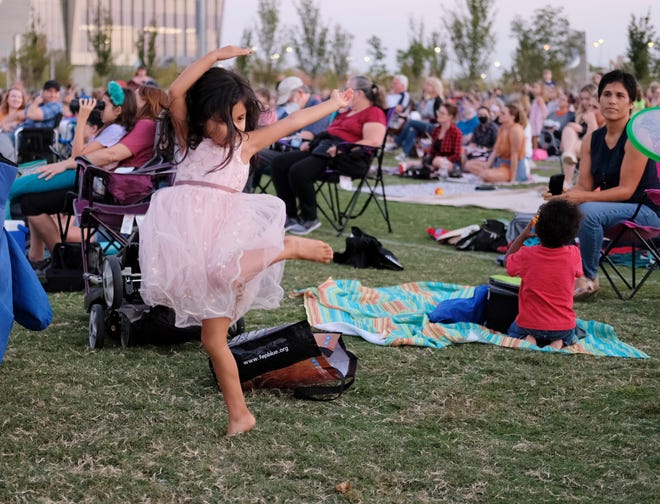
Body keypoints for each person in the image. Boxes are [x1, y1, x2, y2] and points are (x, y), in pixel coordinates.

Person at [138, 46, 353, 436]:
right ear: (205, 117)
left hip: (226, 238)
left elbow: (294, 120)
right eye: (228, 120)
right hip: (190, 243)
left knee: (223, 272)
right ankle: (240, 415)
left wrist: (333, 103)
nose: (237, 128)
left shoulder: (244, 145)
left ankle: (286, 246)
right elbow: (176, 93)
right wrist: (215, 57)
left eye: (242, 119)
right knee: (212, 339)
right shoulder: (190, 139)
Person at [552, 70, 660, 299]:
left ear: (631, 103)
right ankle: (561, 272)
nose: (612, 100)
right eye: (607, 94)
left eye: (620, 96)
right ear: (598, 99)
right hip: (612, 210)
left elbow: (626, 190)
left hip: (645, 211)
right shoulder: (593, 138)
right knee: (559, 207)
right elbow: (585, 187)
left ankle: (589, 278)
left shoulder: (637, 136)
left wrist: (580, 198)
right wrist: (563, 195)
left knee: (587, 211)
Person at [271, 75, 387, 235]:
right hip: (323, 149)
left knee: (299, 171)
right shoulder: (346, 112)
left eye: (347, 88)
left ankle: (309, 218)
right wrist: (311, 143)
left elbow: (373, 142)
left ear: (359, 93)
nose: (342, 92)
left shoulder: (374, 112)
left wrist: (342, 149)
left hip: (344, 158)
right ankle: (289, 215)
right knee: (279, 163)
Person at [505, 199, 583, 349]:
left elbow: (507, 262)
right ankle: (559, 342)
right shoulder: (573, 254)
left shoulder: (527, 254)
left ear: (538, 228)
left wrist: (522, 236)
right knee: (575, 330)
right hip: (562, 327)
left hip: (529, 325)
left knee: (513, 328)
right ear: (572, 231)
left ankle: (528, 338)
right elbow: (579, 273)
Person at [465, 103, 528, 183]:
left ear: (512, 117)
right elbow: (495, 150)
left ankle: (489, 175)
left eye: (503, 113)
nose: (499, 115)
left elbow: (514, 155)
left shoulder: (516, 130)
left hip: (512, 168)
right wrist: (486, 165)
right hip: (499, 165)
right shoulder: (502, 128)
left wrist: (513, 180)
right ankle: (488, 174)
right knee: (468, 165)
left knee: (486, 174)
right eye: (500, 112)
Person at [425, 103, 462, 177]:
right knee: (410, 164)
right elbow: (433, 150)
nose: (439, 115)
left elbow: (457, 155)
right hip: (436, 160)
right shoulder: (436, 130)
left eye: (442, 113)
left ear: (450, 117)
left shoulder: (456, 132)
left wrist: (443, 159)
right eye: (438, 112)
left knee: (437, 161)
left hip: (451, 162)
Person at [0, 87, 28, 161]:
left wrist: (14, 123)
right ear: (7, 98)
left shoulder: (24, 114)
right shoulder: (1, 113)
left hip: (12, 143)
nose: (16, 99)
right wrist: (3, 126)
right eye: (13, 96)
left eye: (19, 97)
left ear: (22, 100)